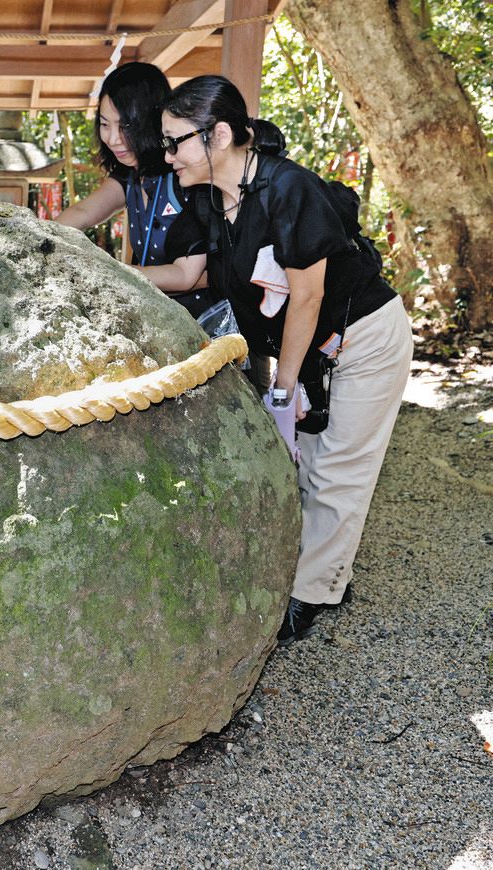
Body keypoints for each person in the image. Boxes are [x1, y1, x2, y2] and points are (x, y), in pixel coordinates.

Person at [158, 75, 413, 644]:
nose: (168, 156)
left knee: (335, 470)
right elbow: (187, 274)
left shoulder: (286, 188)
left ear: (218, 135)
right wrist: (115, 274)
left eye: (176, 142)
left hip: (363, 336)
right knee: (310, 459)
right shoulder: (210, 199)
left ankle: (311, 593)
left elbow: (308, 296)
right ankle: (326, 569)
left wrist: (282, 387)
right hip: (312, 345)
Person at [56, 63, 216, 317]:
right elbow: (83, 212)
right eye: (105, 124)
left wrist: (107, 271)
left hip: (210, 326)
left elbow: (190, 276)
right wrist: (43, 240)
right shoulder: (131, 174)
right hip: (156, 316)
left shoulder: (186, 175)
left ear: (155, 120)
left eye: (126, 126)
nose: (112, 139)